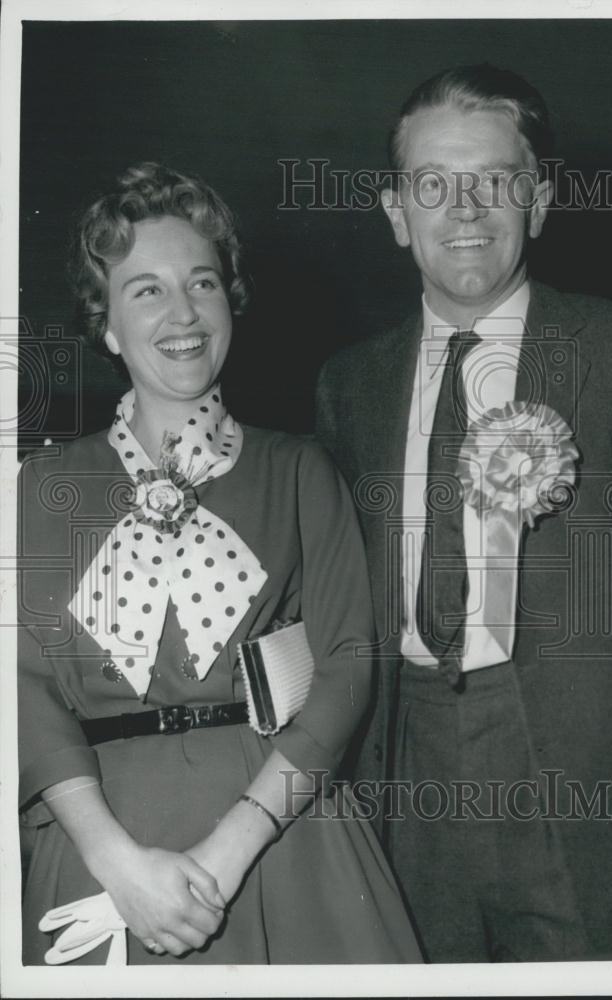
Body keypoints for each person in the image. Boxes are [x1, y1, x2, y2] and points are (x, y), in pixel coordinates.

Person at [316, 64, 612, 962]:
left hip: (600, 780)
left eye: (494, 180)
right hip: (404, 777)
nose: (466, 208)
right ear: (395, 211)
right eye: (432, 185)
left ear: (542, 198)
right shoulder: (348, 384)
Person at [17, 162, 422, 965]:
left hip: (279, 835)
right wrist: (115, 862)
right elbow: (20, 681)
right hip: (104, 840)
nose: (183, 312)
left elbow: (347, 667)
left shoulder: (300, 469)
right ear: (105, 325)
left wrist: (228, 853)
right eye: (146, 290)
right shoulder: (42, 486)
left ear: (229, 303)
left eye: (202, 283)